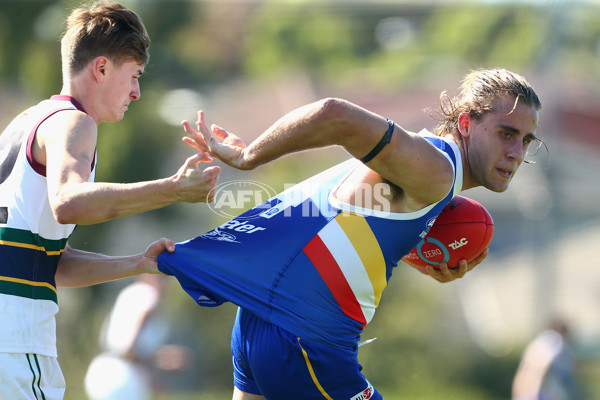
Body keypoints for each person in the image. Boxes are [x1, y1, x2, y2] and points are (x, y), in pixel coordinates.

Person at [158, 68, 542, 399]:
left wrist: (417, 255)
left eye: (526, 140)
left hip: (260, 320)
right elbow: (335, 113)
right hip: (308, 337)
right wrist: (248, 158)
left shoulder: (424, 162)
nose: (516, 152)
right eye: (506, 133)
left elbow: (350, 221)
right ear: (466, 123)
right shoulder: (438, 170)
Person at [0, 1, 219, 399]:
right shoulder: (75, 123)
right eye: (133, 75)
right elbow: (70, 201)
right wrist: (173, 188)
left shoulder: (25, 123)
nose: (136, 92)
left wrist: (137, 264)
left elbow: (49, 263)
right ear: (101, 68)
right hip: (15, 338)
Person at [84, 274, 192, 400]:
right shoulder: (148, 294)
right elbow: (129, 348)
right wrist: (163, 360)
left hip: (106, 371)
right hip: (122, 375)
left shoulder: (132, 293)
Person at [512, 319, 581, 400]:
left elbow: (524, 369)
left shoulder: (540, 339)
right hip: (540, 388)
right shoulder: (555, 341)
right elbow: (542, 367)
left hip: (526, 386)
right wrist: (534, 392)